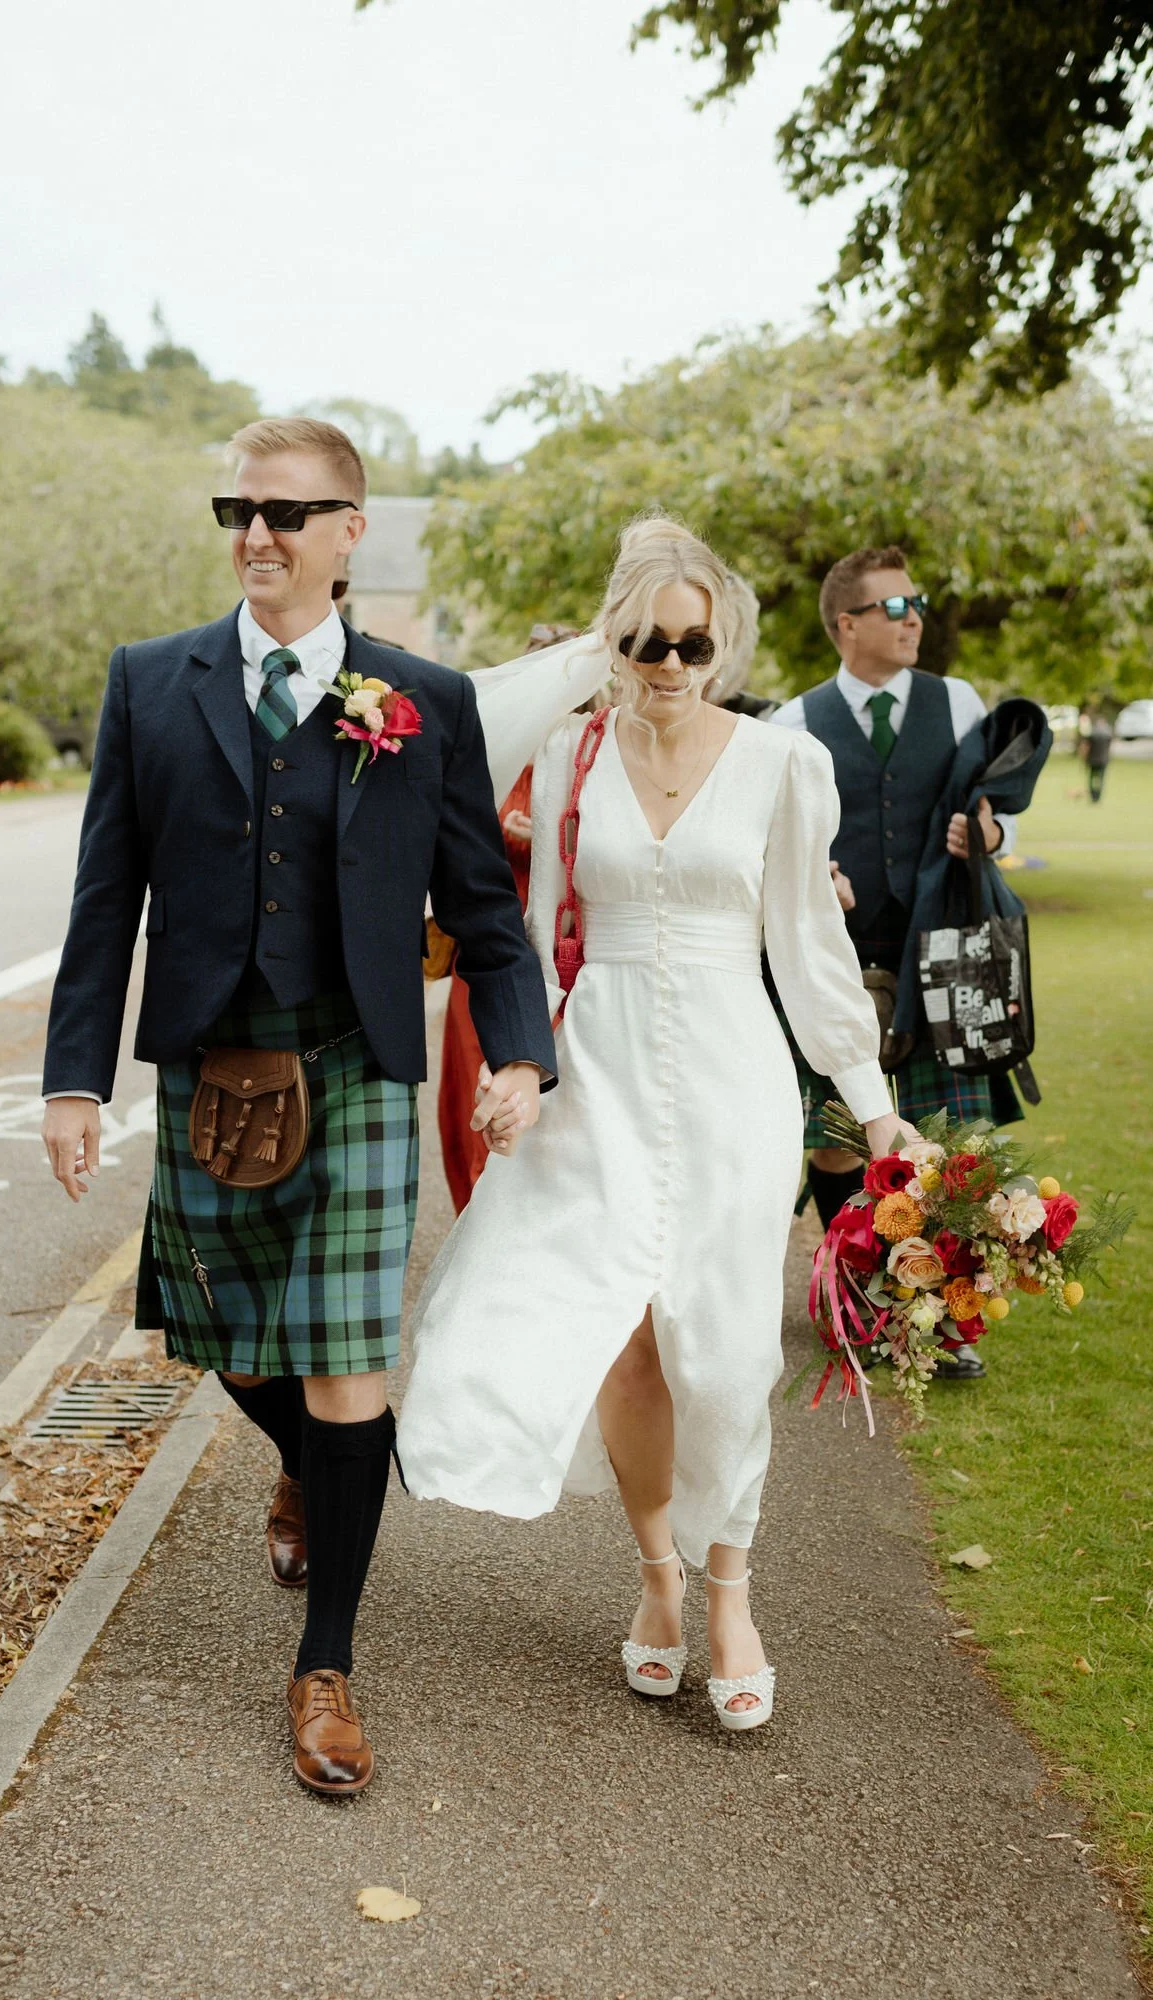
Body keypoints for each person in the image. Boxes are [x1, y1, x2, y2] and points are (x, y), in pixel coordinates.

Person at [40, 417, 554, 1796]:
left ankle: (324, 1664)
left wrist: (519, 1054)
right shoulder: (152, 684)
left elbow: (485, 912)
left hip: (358, 1061)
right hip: (211, 1060)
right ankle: (315, 1473)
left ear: (349, 531)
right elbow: (105, 904)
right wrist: (75, 1076)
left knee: (345, 1359)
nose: (255, 533)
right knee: (220, 1341)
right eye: (238, 508)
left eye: (286, 511)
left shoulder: (423, 701)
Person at [398, 516, 907, 1732]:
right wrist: (520, 1063)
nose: (670, 662)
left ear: (721, 640)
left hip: (735, 1072)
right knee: (624, 1339)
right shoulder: (574, 754)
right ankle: (660, 1582)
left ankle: (734, 1591)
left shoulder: (783, 764)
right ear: (614, 640)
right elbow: (519, 899)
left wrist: (875, 1107)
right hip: (602, 1063)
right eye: (645, 640)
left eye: (690, 640)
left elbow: (810, 946)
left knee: (725, 1347)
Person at [770, 546, 1022, 1381]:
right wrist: (813, 875)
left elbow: (999, 819)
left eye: (915, 602)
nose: (913, 616)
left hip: (937, 962)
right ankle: (857, 1303)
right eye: (892, 606)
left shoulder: (956, 704)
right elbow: (766, 846)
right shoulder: (791, 724)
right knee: (838, 1145)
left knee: (943, 1144)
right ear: (845, 624)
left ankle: (939, 1317)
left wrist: (983, 837)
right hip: (834, 965)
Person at [439, 625, 580, 1213]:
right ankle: (478, 1223)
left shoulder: (584, 755)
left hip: (560, 961)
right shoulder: (496, 751)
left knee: (552, 1108)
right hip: (488, 955)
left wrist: (552, 835)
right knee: (475, 1095)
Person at [1081, 706, 1113, 803]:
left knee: (1091, 778)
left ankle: (1093, 795)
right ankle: (1098, 796)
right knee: (1101, 779)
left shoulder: (1092, 733)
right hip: (1103, 760)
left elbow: (1086, 747)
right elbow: (1109, 748)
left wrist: (1084, 758)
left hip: (1092, 760)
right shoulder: (1108, 734)